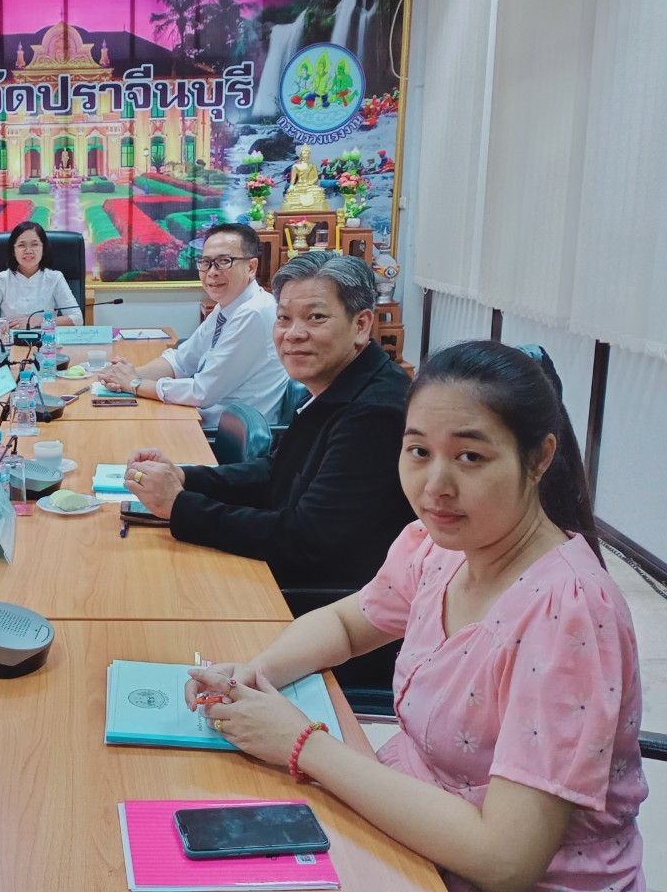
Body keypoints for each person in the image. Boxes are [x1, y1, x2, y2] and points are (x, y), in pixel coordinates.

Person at [185, 340, 646, 892]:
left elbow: (505, 860)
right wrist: (253, 673)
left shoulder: (566, 612)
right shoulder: (438, 548)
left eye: (470, 457)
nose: (436, 487)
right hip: (400, 830)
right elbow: (346, 625)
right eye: (419, 451)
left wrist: (302, 744)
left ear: (539, 458)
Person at [124, 250, 413, 613]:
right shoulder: (339, 384)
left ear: (361, 325)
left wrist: (180, 506)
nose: (294, 334)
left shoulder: (375, 413)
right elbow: (277, 473)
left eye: (316, 318)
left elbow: (306, 541)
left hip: (318, 604)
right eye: (284, 319)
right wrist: (184, 477)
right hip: (284, 575)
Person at [96, 223, 287, 428]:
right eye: (206, 262)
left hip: (225, 435)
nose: (212, 272)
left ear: (251, 267)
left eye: (224, 261)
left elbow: (202, 391)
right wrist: (129, 373)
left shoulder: (254, 313)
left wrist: (135, 383)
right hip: (202, 419)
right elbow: (181, 361)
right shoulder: (228, 307)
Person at [0, 221, 82, 329]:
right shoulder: (2, 279)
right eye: (21, 245)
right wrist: (1, 325)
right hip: (11, 338)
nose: (28, 251)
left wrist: (39, 321)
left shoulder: (55, 278)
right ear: (13, 251)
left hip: (46, 338)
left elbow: (77, 319)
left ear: (43, 249)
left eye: (34, 244)